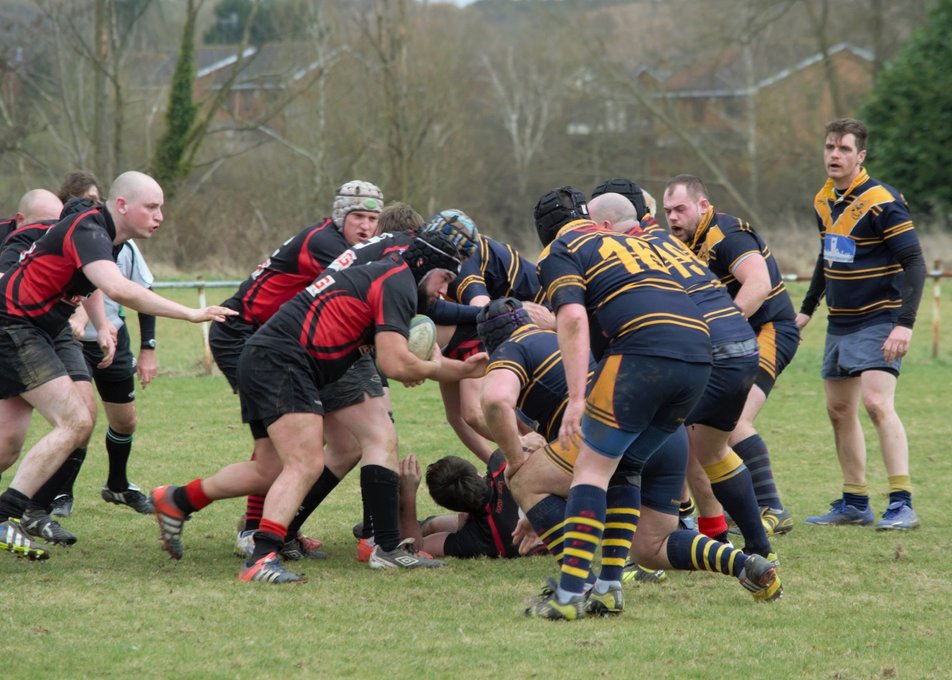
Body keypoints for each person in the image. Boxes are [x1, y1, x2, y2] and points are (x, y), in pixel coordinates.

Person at [151, 232, 489, 584]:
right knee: (306, 461)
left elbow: (399, 359)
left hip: (269, 356)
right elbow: (394, 364)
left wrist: (463, 369)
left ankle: (177, 500)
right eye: (445, 278)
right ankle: (262, 557)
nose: (445, 290)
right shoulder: (397, 281)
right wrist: (438, 367)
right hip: (283, 360)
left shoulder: (393, 275)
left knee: (269, 470)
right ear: (426, 266)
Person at [525, 186, 775, 621]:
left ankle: (568, 597)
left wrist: (578, 397)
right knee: (627, 464)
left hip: (645, 351)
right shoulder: (634, 240)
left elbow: (572, 317)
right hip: (699, 355)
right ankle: (607, 589)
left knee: (591, 467)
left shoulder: (561, 247)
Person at [477, 297, 782, 610]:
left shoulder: (510, 348)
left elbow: (496, 401)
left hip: (611, 427)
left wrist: (515, 462)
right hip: (666, 432)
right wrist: (541, 514)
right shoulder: (565, 337)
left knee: (525, 480)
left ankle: (580, 586)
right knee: (652, 547)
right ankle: (744, 564)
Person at [0, 171, 235, 561]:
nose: (159, 216)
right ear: (122, 205)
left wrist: (103, 323)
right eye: (152, 207)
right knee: (75, 421)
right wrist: (193, 314)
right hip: (14, 325)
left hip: (31, 326)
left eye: (161, 207)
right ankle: (8, 515)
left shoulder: (100, 232)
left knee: (7, 445)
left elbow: (85, 280)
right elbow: (118, 288)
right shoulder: (91, 230)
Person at [587, 190, 776, 565]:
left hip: (707, 349)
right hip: (741, 342)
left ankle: (628, 554)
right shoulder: (664, 240)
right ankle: (757, 548)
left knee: (631, 443)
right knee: (710, 449)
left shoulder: (629, 253)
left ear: (606, 226)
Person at [213, 180, 386, 562]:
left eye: (373, 219)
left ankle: (270, 525)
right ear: (340, 215)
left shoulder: (342, 244)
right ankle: (250, 529)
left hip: (276, 341)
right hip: (243, 334)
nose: (366, 226)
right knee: (281, 446)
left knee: (295, 445)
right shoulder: (326, 242)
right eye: (358, 216)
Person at [649, 175, 799, 537]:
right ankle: (716, 516)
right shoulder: (685, 243)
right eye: (667, 211)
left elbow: (759, 284)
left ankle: (772, 507)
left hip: (768, 330)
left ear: (703, 205)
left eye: (680, 209)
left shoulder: (727, 235)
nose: (673, 217)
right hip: (734, 342)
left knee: (733, 423)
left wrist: (720, 328)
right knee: (695, 425)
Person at [797, 118, 925, 531]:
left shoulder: (881, 200)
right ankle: (854, 502)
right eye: (830, 147)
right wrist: (807, 308)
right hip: (840, 322)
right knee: (838, 410)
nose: (835, 155)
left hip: (881, 318)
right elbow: (827, 257)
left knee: (875, 403)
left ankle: (902, 502)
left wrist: (904, 324)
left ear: (861, 156)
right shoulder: (823, 200)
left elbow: (915, 263)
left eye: (844, 149)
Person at [50, 170, 159, 518]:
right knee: (81, 420)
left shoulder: (124, 243)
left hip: (112, 339)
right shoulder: (67, 237)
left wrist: (148, 348)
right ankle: (58, 495)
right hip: (71, 341)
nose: (92, 209)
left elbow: (142, 292)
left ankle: (117, 486)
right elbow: (81, 287)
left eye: (97, 201)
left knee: (125, 421)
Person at [395, 451, 524, 559]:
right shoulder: (501, 463)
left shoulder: (478, 538)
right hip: (537, 523)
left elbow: (414, 549)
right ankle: (412, 527)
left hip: (499, 529)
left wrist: (408, 494)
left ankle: (398, 530)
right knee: (434, 525)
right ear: (477, 474)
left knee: (433, 527)